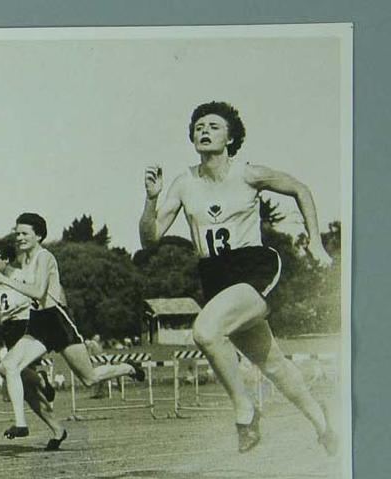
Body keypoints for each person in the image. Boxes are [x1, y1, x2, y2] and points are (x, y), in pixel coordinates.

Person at [138, 100, 337, 454]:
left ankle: (246, 410)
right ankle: (323, 426)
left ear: (231, 138)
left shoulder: (248, 174)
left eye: (214, 126)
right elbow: (150, 239)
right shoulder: (184, 184)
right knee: (273, 364)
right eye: (199, 126)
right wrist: (151, 201)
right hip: (215, 278)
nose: (204, 130)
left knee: (205, 330)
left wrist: (316, 243)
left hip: (253, 268)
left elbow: (300, 189)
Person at [0, 213, 145, 450]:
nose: (19, 237)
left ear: (38, 235)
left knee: (89, 378)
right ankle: (21, 423)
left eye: (24, 233)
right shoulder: (24, 260)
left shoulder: (44, 256)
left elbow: (39, 291)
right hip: (37, 323)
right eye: (17, 233)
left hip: (57, 322)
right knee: (8, 366)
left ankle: (129, 368)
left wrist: (5, 280)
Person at [0, 240, 56, 424]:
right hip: (7, 329)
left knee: (8, 368)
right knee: (16, 372)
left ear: (6, 259)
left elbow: (37, 296)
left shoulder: (21, 276)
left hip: (25, 324)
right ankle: (41, 384)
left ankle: (29, 413)